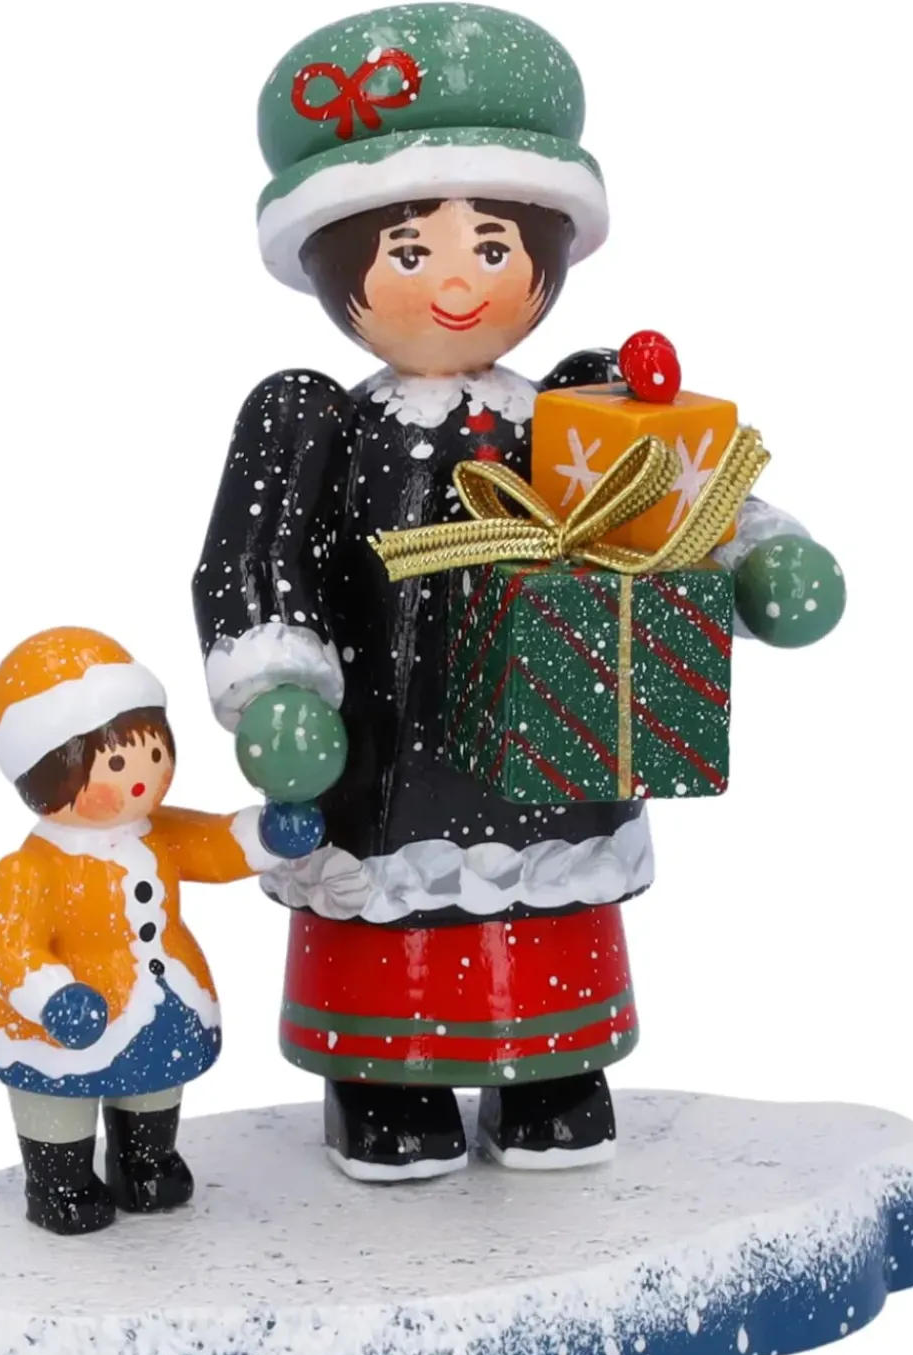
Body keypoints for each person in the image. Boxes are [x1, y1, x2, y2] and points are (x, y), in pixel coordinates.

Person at [192, 5, 844, 1183]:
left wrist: (751, 552)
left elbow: (668, 490)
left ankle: (551, 1068)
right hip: (387, 740)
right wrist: (277, 687)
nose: (456, 281)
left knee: (547, 881)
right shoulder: (313, 420)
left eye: (491, 247)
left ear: (546, 254)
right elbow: (256, 554)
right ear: (334, 267)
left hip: (552, 733)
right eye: (408, 252)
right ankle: (383, 1079)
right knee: (386, 892)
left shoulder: (577, 413)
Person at [0, 626, 318, 1233]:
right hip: (60, 1025)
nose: (142, 776)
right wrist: (53, 996)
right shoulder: (29, 869)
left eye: (154, 753)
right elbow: (7, 951)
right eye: (116, 762)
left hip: (160, 1002)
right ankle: (59, 1182)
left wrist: (268, 835)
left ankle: (146, 1161)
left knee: (153, 1088)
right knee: (59, 1102)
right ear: (50, 774)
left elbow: (215, 844)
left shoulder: (159, 833)